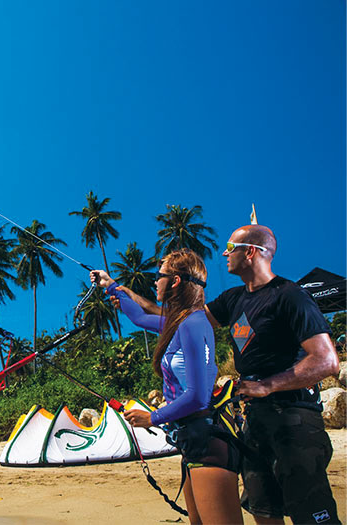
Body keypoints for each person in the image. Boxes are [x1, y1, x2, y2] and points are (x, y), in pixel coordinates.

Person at [109, 225, 341, 525]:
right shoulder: (233, 299)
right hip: (255, 421)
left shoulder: (290, 295)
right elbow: (174, 321)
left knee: (312, 516)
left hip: (294, 419)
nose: (224, 253)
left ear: (251, 252)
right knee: (264, 511)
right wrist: (118, 289)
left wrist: (268, 385)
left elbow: (326, 360)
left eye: (231, 247)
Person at [91, 248, 243, 525]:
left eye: (158, 276)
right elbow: (138, 317)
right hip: (191, 441)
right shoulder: (178, 324)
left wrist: (153, 417)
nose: (154, 282)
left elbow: (198, 396)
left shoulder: (194, 323)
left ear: (175, 281)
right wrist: (110, 284)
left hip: (207, 440)